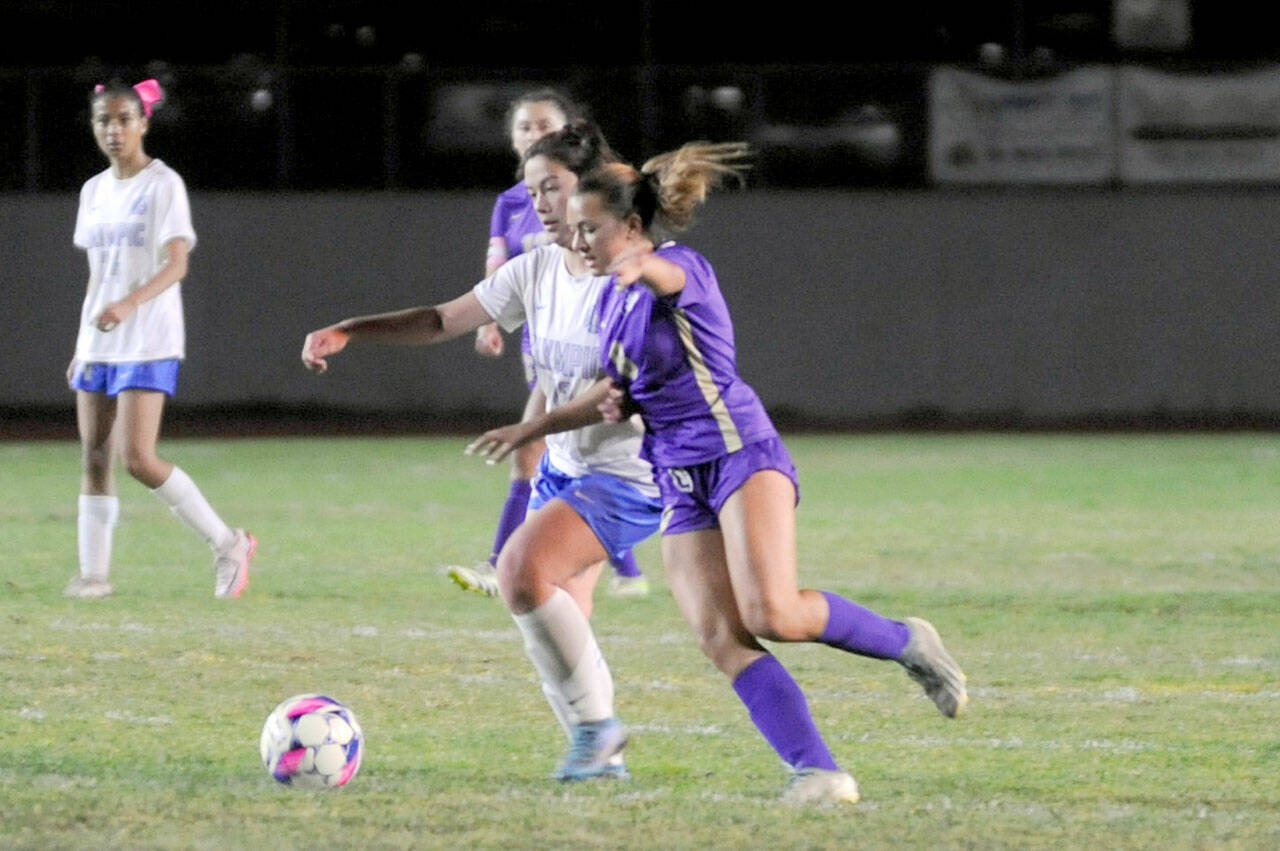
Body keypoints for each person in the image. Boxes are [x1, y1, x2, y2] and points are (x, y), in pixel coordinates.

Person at [467, 144, 969, 804]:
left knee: (774, 610)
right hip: (675, 473)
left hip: (737, 451)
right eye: (577, 227)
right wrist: (534, 427)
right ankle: (817, 770)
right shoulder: (608, 306)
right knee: (719, 635)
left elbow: (664, 278)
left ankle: (906, 640)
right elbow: (609, 392)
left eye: (592, 227)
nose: (578, 238)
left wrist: (636, 266)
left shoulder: (678, 266)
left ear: (633, 228)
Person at [302, 122, 660, 781]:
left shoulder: (631, 276)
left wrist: (532, 426)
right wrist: (352, 328)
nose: (541, 206)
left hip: (633, 473)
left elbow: (630, 385)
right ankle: (599, 755)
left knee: (522, 572)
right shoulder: (536, 269)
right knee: (553, 619)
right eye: (530, 193)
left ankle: (598, 731)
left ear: (592, 190)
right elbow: (443, 319)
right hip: (570, 468)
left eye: (552, 188)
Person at [449, 88, 648, 600]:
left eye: (545, 126)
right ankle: (606, 568)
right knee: (555, 457)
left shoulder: (606, 203)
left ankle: (510, 561)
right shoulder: (511, 205)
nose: (534, 134)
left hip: (592, 352)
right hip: (544, 345)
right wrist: (487, 319)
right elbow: (496, 269)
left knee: (554, 448)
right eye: (524, 127)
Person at [65, 79, 256, 600]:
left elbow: (177, 264)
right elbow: (96, 275)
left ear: (143, 123)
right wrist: (82, 343)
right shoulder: (93, 191)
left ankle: (228, 542)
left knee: (138, 459)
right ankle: (93, 577)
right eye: (104, 120)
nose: (114, 130)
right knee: (94, 456)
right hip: (99, 342)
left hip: (148, 336)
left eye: (124, 119)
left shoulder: (163, 184)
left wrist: (129, 304)